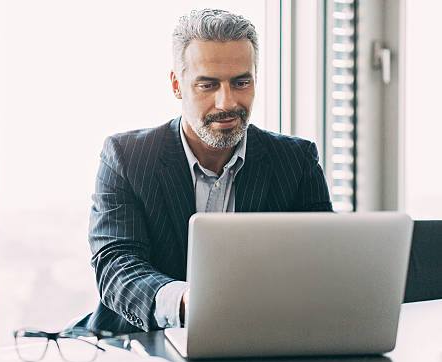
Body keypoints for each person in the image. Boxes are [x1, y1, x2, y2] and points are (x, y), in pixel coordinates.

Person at [86, 9, 332, 334]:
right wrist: (187, 302)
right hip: (144, 348)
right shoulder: (126, 157)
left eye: (241, 82)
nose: (227, 102)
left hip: (261, 346)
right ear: (177, 85)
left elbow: (325, 263)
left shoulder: (297, 161)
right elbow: (117, 266)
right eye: (208, 85)